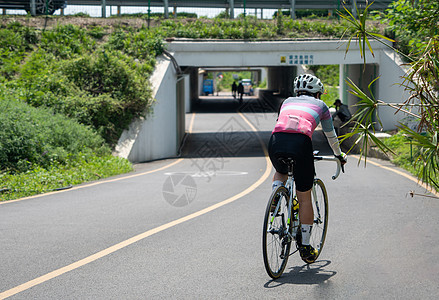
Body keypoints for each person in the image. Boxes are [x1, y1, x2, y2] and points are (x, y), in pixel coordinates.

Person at [268, 74, 347, 264]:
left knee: (281, 170)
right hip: (301, 143)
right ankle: (305, 246)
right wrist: (339, 155)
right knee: (304, 198)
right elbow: (330, 135)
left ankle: (276, 197)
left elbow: (284, 123)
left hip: (276, 140)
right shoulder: (321, 106)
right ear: (318, 93)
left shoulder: (287, 101)